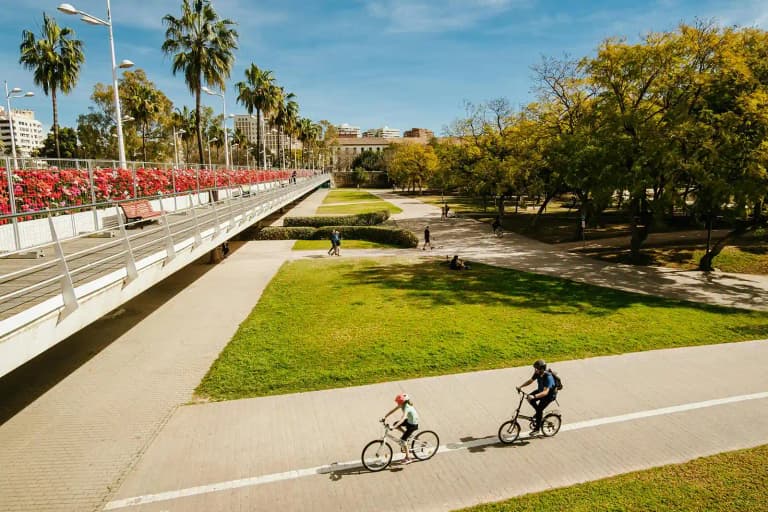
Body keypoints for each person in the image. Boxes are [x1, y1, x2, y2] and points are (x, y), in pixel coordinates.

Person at [517, 359, 557, 436]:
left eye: (537, 368)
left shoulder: (548, 377)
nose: (535, 370)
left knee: (539, 408)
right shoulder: (537, 373)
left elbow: (545, 392)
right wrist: (520, 387)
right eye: (535, 368)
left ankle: (537, 429)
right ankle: (539, 414)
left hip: (549, 396)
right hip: (540, 391)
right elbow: (530, 381)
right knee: (529, 399)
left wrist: (534, 396)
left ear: (542, 369)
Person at [383, 393, 420, 464]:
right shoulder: (402, 405)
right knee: (395, 424)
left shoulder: (407, 408)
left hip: (413, 425)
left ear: (402, 402)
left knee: (402, 440)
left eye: (398, 402)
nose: (397, 403)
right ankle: (406, 435)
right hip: (409, 421)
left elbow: (403, 419)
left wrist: (394, 427)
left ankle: (408, 458)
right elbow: (392, 411)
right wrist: (385, 416)